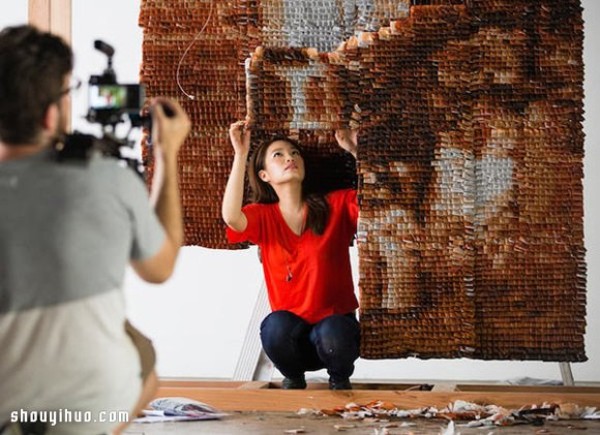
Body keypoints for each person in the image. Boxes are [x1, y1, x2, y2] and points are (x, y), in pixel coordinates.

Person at [0, 25, 191, 435]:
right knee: (142, 355)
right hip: (87, 410)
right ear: (51, 113)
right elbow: (159, 269)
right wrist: (167, 153)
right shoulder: (107, 178)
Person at [222, 120, 360, 390]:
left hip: (336, 336)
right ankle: (293, 380)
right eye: (279, 155)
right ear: (264, 175)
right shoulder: (262, 217)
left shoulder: (335, 205)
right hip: (291, 339)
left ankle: (340, 382)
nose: (290, 158)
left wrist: (356, 152)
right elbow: (231, 217)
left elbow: (376, 202)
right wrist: (240, 154)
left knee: (332, 330)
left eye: (295, 153)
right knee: (274, 326)